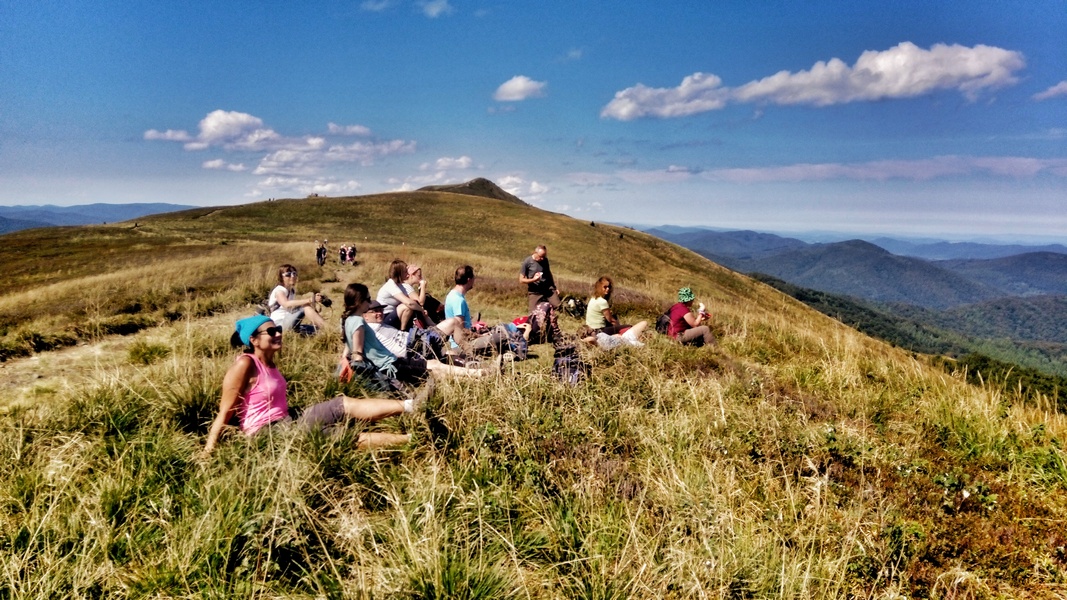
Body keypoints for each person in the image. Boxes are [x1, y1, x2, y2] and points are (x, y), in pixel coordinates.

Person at [202, 315, 411, 455]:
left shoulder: (270, 363)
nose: (278, 334)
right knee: (339, 435)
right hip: (266, 433)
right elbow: (225, 411)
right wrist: (208, 452)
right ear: (254, 340)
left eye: (278, 329)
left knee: (341, 403)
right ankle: (409, 439)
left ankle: (412, 405)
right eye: (271, 331)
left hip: (288, 419)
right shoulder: (245, 364)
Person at [342, 283, 487, 383]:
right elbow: (357, 352)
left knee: (436, 366)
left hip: (395, 358)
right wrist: (358, 368)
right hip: (392, 363)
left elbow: (349, 346)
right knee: (435, 367)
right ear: (359, 302)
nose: (369, 303)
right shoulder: (359, 322)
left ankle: (476, 375)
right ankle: (479, 373)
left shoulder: (348, 321)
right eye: (368, 300)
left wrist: (344, 361)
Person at [268, 264, 327, 332]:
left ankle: (327, 329)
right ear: (281, 277)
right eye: (288, 274)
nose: (292, 276)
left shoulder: (291, 290)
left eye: (294, 273)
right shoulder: (279, 290)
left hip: (289, 322)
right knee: (305, 307)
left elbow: (292, 308)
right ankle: (328, 329)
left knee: (317, 330)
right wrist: (310, 300)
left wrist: (314, 304)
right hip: (279, 324)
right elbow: (286, 304)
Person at [376, 259, 427, 331]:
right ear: (399, 273)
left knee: (414, 305)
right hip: (384, 316)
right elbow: (409, 303)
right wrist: (421, 309)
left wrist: (420, 308)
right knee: (407, 306)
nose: (408, 275)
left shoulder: (400, 285)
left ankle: (430, 326)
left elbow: (417, 302)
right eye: (405, 272)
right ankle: (402, 331)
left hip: (394, 315)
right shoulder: (391, 285)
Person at [519, 245, 561, 313]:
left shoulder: (545, 260)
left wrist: (554, 287)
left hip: (548, 289)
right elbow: (521, 280)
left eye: (544, 256)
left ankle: (548, 312)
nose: (542, 258)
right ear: (535, 253)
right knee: (532, 313)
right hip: (535, 291)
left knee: (558, 306)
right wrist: (534, 280)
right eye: (541, 256)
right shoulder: (527, 262)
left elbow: (549, 274)